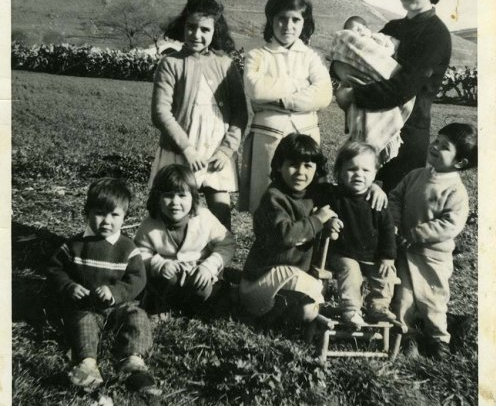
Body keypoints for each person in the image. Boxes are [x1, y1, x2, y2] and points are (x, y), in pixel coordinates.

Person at [335, 0, 451, 192]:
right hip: (369, 127)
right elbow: (359, 60)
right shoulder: (393, 27)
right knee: (358, 201)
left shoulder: (436, 34)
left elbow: (404, 88)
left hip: (406, 136)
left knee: (393, 205)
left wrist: (353, 95)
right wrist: (340, 69)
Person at [47, 178, 155, 391]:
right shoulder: (75, 245)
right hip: (87, 305)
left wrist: (115, 292)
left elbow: (137, 279)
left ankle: (133, 362)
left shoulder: (127, 248)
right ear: (87, 212)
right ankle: (88, 364)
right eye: (99, 213)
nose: (107, 221)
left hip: (119, 305)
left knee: (137, 317)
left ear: (124, 217)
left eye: (114, 215)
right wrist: (69, 286)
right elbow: (54, 269)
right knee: (83, 323)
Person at [150, 0, 248, 230]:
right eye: (191, 27)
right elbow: (161, 112)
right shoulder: (171, 63)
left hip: (216, 151)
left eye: (205, 29)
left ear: (216, 31)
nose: (196, 34)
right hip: (181, 149)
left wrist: (226, 150)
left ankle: (219, 252)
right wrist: (187, 149)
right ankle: (168, 248)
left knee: (221, 214)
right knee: (172, 210)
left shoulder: (226, 65)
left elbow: (240, 113)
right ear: (183, 26)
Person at [388, 123, 477, 358]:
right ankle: (406, 335)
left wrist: (417, 233)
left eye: (444, 146)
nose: (435, 147)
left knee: (432, 300)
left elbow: (450, 223)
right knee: (403, 297)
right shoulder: (415, 175)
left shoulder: (455, 191)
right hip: (406, 252)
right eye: (436, 141)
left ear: (460, 163)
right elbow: (395, 197)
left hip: (433, 258)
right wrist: (395, 221)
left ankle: (439, 339)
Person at [240, 0, 332, 214]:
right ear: (271, 19)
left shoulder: (312, 57)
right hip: (268, 139)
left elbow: (323, 94)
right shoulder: (257, 55)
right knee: (266, 204)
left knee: (306, 202)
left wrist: (281, 101)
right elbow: (256, 89)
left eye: (295, 19)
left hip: (306, 137)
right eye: (281, 18)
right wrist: (301, 85)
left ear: (304, 22)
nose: (288, 26)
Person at [239, 134, 343, 327]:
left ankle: (283, 314)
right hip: (260, 282)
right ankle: (268, 311)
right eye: (293, 165)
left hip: (288, 281)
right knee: (301, 280)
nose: (300, 172)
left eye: (308, 166)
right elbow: (286, 235)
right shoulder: (274, 197)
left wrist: (374, 189)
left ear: (317, 169)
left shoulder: (315, 193)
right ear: (279, 166)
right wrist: (318, 220)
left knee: (306, 312)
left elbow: (347, 192)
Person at [314, 142, 397, 327]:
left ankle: (379, 306)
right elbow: (320, 207)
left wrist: (387, 257)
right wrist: (329, 220)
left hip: (372, 256)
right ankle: (351, 309)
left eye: (366, 170)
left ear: (375, 174)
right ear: (340, 172)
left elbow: (388, 229)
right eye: (352, 169)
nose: (359, 174)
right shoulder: (334, 195)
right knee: (350, 270)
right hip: (343, 253)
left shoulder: (377, 199)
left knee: (386, 272)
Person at [134, 164, 236, 313]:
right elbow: (139, 252)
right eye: (168, 195)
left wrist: (208, 267)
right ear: (157, 197)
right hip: (168, 272)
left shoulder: (203, 217)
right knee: (163, 284)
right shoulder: (150, 223)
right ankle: (167, 305)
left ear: (193, 197)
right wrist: (158, 264)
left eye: (182, 195)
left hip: (199, 271)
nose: (175, 202)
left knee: (202, 290)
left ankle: (209, 298)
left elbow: (226, 243)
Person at [329, 15, 415, 165]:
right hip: (358, 84)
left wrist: (384, 46)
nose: (358, 33)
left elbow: (387, 49)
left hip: (382, 82)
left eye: (361, 28)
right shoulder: (351, 42)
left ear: (368, 30)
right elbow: (341, 54)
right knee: (362, 120)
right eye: (353, 30)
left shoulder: (376, 38)